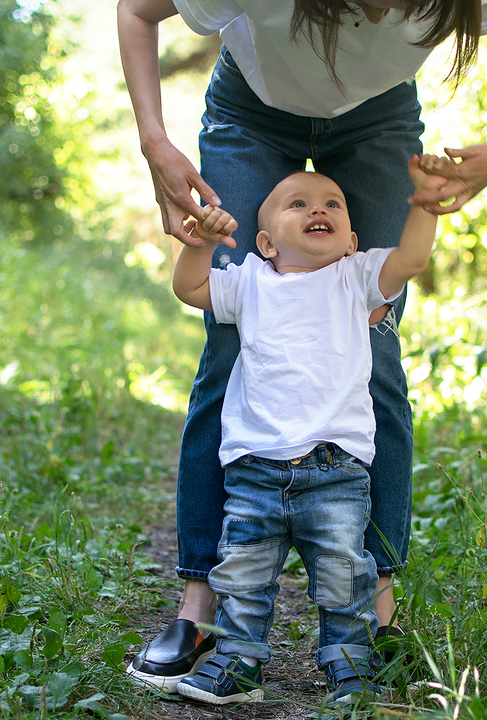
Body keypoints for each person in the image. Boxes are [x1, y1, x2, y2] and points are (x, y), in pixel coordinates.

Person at [117, 0, 487, 691]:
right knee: (230, 344)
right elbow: (138, 10)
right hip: (251, 112)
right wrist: (153, 139)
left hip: (380, 121)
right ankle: (200, 606)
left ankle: (375, 610)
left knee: (373, 343)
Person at [168, 163, 440, 704]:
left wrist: (425, 206)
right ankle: (236, 665)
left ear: (352, 240)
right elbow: (189, 286)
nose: (318, 209)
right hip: (254, 467)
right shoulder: (248, 281)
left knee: (344, 577)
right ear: (266, 242)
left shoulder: (357, 278)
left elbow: (412, 258)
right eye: (299, 203)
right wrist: (201, 242)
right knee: (243, 576)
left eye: (332, 203)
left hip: (335, 470)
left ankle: (350, 671)